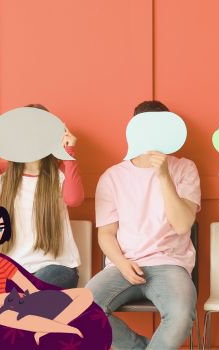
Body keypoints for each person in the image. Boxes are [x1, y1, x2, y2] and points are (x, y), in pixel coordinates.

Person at [86, 100, 201, 350]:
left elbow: (182, 225)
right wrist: (121, 263)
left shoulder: (184, 168)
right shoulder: (112, 177)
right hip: (124, 265)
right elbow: (106, 234)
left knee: (181, 315)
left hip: (171, 264)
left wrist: (163, 175)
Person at [0, 104, 84, 289]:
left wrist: (68, 152)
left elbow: (74, 199)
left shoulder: (62, 170)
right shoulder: (3, 172)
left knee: (21, 295)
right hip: (11, 268)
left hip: (57, 268)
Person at [0, 204, 92, 345]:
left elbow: (32, 288)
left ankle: (47, 331)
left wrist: (34, 296)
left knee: (85, 296)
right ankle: (55, 330)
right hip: (0, 310)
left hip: (23, 303)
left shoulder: (4, 262)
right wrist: (6, 297)